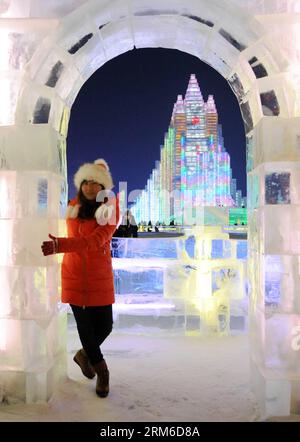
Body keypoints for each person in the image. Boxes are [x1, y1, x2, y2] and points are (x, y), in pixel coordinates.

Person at [41, 159, 119, 398]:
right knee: (86, 328)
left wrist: (60, 245)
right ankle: (102, 373)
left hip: (99, 276)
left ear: (103, 186)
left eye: (95, 182)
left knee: (105, 326)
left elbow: (96, 240)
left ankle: (83, 356)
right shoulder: (73, 206)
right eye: (85, 181)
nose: (89, 186)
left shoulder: (109, 208)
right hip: (74, 274)